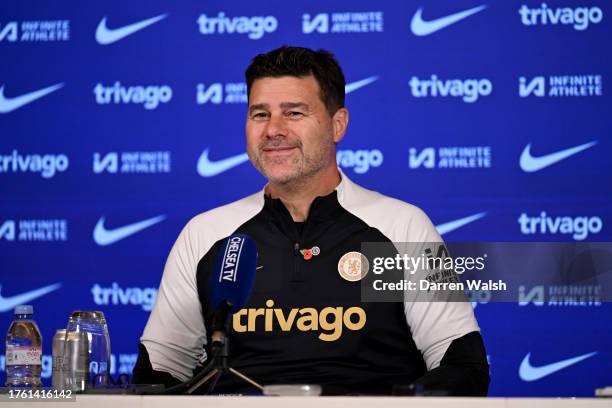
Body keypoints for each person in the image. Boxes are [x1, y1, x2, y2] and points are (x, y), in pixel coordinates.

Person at [132, 46, 490, 395]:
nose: (273, 130)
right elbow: (160, 373)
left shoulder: (400, 227)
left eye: (294, 113)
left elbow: (461, 367)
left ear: (338, 125)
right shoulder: (207, 234)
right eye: (260, 114)